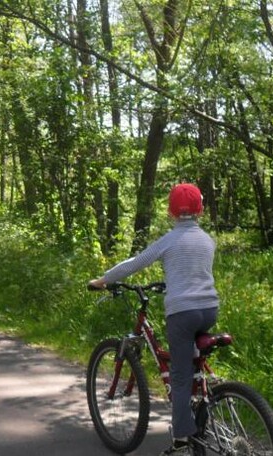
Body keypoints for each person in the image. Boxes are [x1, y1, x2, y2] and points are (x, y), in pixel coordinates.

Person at [88, 183, 219, 455]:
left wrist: (103, 280)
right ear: (200, 211)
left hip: (182, 314)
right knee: (191, 363)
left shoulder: (169, 240)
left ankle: (182, 440)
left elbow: (135, 263)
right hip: (209, 310)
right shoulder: (207, 240)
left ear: (171, 212)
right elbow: (193, 271)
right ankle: (202, 401)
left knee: (180, 378)